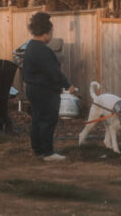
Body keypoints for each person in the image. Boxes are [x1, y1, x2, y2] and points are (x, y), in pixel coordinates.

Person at [20, 11, 76, 161]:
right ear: (45, 33)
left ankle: (38, 150)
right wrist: (68, 85)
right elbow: (53, 72)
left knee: (38, 119)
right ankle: (48, 153)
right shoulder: (41, 50)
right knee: (48, 119)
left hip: (33, 88)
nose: (51, 35)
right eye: (51, 32)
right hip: (44, 90)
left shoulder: (31, 47)